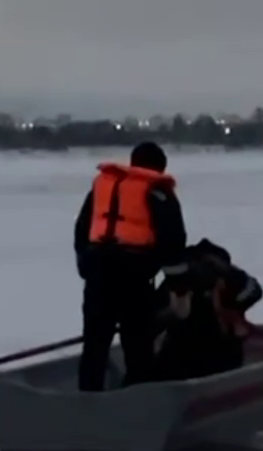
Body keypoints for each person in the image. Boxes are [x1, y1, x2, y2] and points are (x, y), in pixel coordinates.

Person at [73, 141, 187, 391]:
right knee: (137, 345)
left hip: (98, 272)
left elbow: (82, 229)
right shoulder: (158, 192)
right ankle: (138, 399)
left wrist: (85, 265)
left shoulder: (102, 187)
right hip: (133, 276)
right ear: (159, 167)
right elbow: (173, 241)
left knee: (95, 343)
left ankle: (86, 400)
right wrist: (178, 286)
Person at [150, 238, 263, 381]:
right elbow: (151, 321)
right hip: (182, 368)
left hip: (220, 363)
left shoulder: (231, 280)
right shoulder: (179, 289)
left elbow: (254, 291)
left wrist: (231, 305)